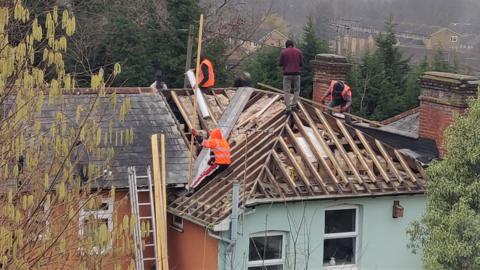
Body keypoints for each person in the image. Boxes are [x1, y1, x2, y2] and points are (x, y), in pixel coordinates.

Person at [187, 128, 231, 195]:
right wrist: (211, 160)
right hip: (226, 164)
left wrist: (196, 135)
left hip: (219, 164)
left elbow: (203, 143)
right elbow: (216, 152)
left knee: (204, 174)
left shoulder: (215, 141)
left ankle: (192, 187)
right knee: (209, 175)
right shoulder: (224, 142)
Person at [279, 40, 304, 112]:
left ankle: (288, 108)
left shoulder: (283, 52)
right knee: (297, 90)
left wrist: (285, 64)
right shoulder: (299, 51)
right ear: (293, 45)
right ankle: (294, 106)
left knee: (286, 91)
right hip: (296, 74)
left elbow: (280, 64)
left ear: (286, 45)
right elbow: (301, 64)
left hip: (286, 74)